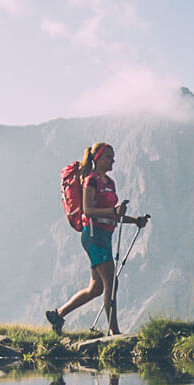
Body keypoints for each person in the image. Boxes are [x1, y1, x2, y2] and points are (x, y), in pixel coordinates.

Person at [46, 142, 148, 335]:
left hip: (104, 234)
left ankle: (58, 315)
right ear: (98, 158)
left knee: (96, 288)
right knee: (111, 281)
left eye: (113, 157)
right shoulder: (90, 180)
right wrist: (113, 211)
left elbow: (112, 214)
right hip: (93, 235)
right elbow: (87, 210)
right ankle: (114, 331)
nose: (113, 160)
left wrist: (135, 220)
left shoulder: (110, 183)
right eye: (109, 157)